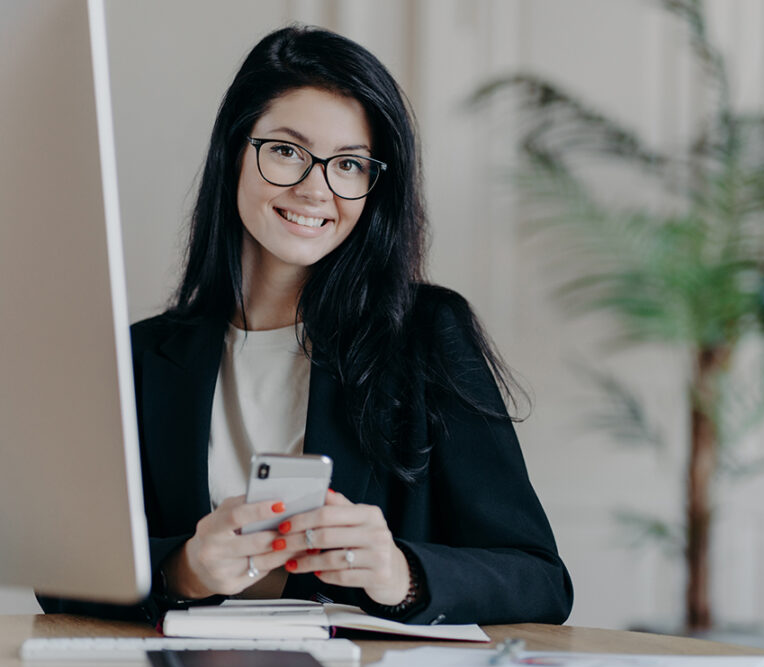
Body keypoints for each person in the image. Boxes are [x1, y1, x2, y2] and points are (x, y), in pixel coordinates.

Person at [38, 25, 573, 626]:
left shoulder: (425, 334)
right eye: (288, 151)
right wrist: (181, 569)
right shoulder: (139, 358)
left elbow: (541, 580)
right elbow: (63, 575)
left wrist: (402, 573)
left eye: (348, 164)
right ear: (235, 151)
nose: (316, 189)